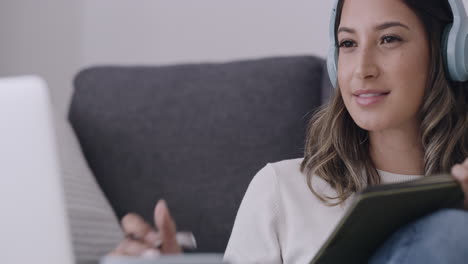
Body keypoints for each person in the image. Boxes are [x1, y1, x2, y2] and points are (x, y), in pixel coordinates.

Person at [109, 0, 468, 262]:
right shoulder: (282, 190)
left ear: (446, 52)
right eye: (347, 44)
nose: (362, 69)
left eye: (389, 39)